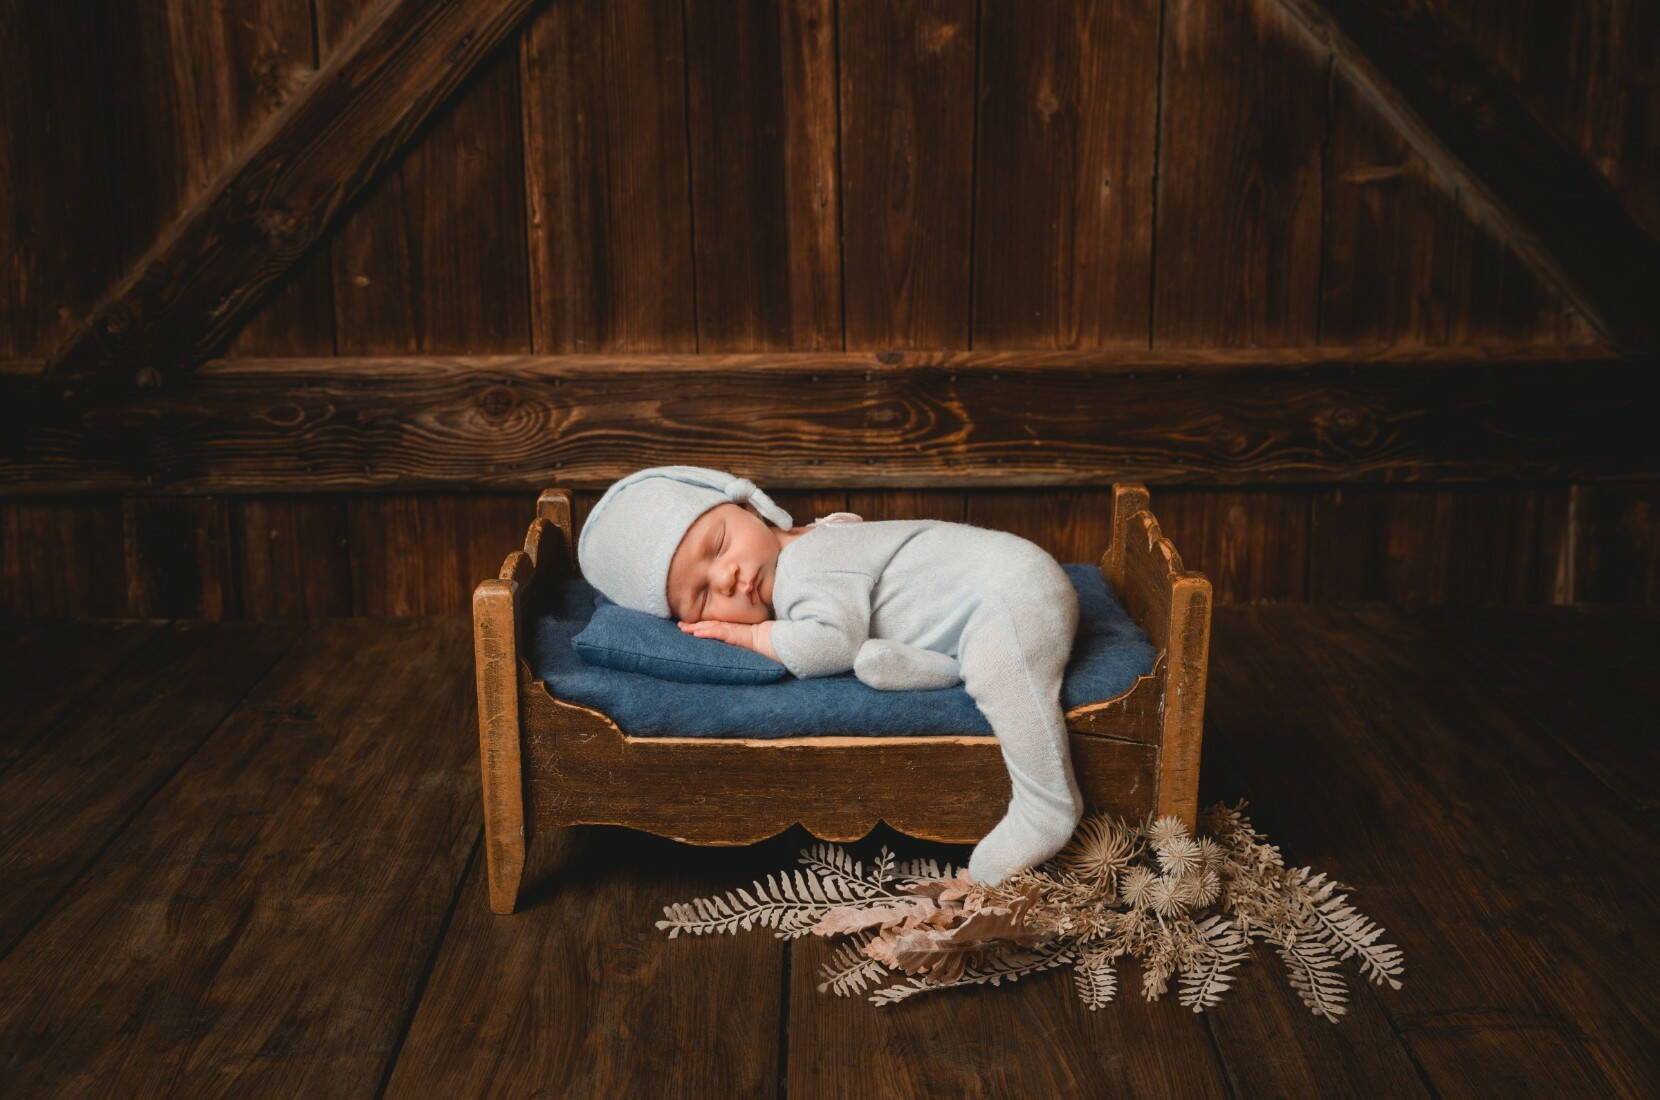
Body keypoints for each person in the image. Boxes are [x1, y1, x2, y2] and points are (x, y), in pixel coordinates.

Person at [576, 465, 1084, 887]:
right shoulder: (816, 534)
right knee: (909, 657)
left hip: (1013, 590)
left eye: (718, 545)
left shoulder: (808, 562)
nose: (726, 576)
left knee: (1005, 675)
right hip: (962, 618)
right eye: (703, 596)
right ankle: (940, 667)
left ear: (749, 509)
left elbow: (831, 644)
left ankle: (1047, 806)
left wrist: (755, 638)